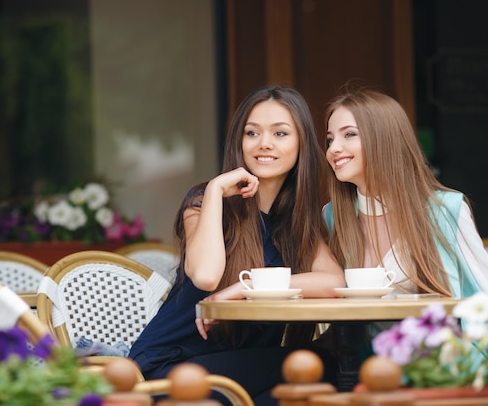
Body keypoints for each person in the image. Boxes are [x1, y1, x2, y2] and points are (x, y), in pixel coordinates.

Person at [128, 85, 345, 405]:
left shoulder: (298, 225)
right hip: (170, 368)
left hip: (237, 372)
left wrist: (244, 288)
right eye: (252, 133)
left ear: (302, 144)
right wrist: (216, 189)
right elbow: (204, 275)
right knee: (322, 367)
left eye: (281, 133)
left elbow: (333, 282)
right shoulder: (203, 203)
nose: (264, 144)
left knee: (298, 394)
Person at [323, 85, 488, 312]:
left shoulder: (445, 210)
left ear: (384, 138)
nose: (334, 148)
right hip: (360, 349)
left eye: (349, 134)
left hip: (437, 346)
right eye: (330, 139)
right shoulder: (332, 216)